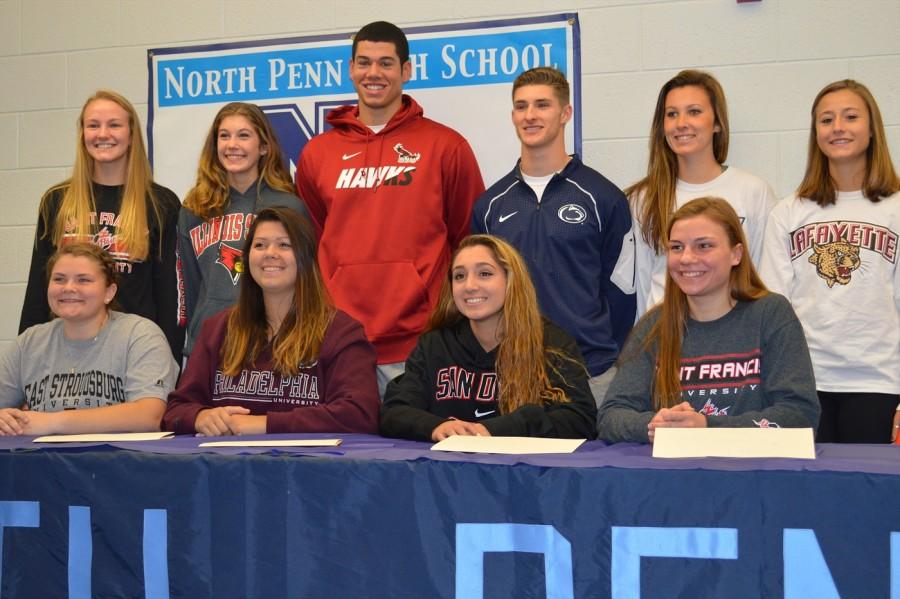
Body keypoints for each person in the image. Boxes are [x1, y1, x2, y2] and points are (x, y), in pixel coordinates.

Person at [295, 21, 485, 396]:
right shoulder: (318, 153)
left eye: (385, 63)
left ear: (406, 71)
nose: (374, 73)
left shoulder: (446, 146)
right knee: (345, 452)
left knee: (416, 448)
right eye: (364, 63)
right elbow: (312, 242)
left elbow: (469, 240)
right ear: (350, 69)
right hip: (339, 341)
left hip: (422, 342)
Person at [472, 66, 634, 406]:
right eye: (521, 106)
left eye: (542, 105)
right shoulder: (490, 204)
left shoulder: (603, 198)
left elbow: (622, 294)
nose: (530, 115)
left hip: (590, 374)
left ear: (565, 113)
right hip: (514, 376)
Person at [597, 198, 819, 444]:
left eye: (704, 246)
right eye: (677, 247)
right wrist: (654, 425)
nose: (687, 258)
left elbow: (800, 416)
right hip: (674, 476)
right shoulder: (653, 326)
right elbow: (611, 416)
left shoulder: (771, 314)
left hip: (752, 475)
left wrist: (707, 427)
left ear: (736, 254)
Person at [760, 80, 900, 444]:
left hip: (879, 380)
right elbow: (773, 307)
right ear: (816, 134)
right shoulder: (788, 213)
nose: (838, 127)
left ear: (872, 130)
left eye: (850, 117)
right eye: (826, 120)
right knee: (809, 496)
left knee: (873, 495)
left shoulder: (896, 209)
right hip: (804, 383)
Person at [163, 207, 379, 436]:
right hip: (226, 467)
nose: (270, 253)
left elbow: (360, 414)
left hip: (305, 468)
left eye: (284, 245)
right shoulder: (217, 329)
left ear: (306, 257)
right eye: (260, 245)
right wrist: (201, 417)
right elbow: (176, 410)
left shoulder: (341, 332)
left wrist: (264, 425)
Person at [380, 235, 596, 442]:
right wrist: (436, 426)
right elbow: (394, 411)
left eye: (485, 274)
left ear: (512, 280)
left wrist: (495, 430)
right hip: (448, 474)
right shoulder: (434, 345)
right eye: (459, 276)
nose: (470, 285)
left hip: (522, 475)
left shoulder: (551, 344)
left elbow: (579, 419)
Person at [19, 90, 183, 362]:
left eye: (114, 125)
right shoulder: (57, 200)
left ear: (131, 136)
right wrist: (26, 359)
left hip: (134, 353)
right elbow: (38, 287)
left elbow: (169, 296)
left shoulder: (160, 202)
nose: (102, 134)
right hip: (64, 351)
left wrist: (167, 362)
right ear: (82, 135)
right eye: (93, 125)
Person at [623, 70, 776, 318]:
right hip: (667, 337)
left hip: (732, 337)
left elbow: (761, 277)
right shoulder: (643, 199)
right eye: (672, 114)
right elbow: (641, 284)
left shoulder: (752, 191)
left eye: (694, 111)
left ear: (717, 123)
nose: (681, 123)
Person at [0, 243, 178, 435]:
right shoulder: (29, 342)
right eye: (59, 279)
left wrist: (52, 422)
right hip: (44, 462)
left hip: (118, 461)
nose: (68, 288)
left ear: (109, 292)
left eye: (83, 280)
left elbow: (149, 416)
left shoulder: (140, 335)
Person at [179, 102, 307, 358]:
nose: (232, 145)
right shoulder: (194, 209)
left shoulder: (289, 206)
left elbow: (304, 283)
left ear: (263, 147)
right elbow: (191, 287)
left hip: (272, 343)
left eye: (244, 135)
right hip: (209, 345)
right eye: (224, 136)